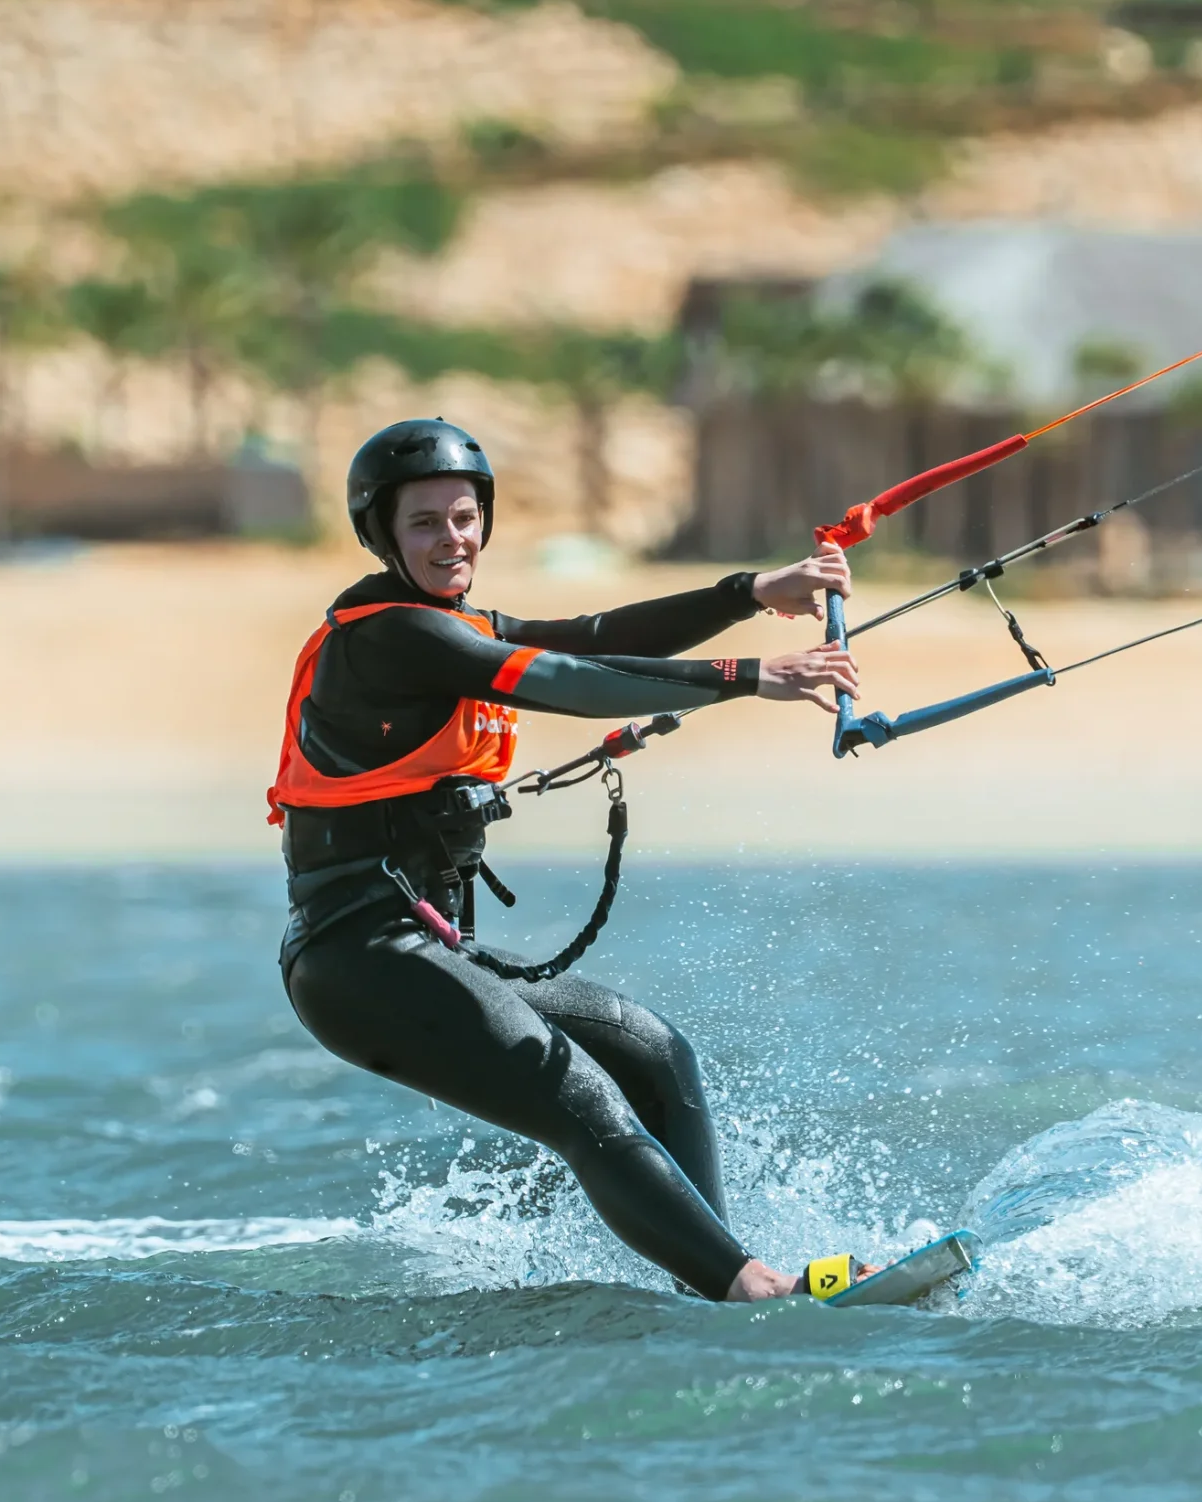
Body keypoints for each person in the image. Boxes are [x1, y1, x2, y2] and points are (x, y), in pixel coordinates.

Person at [270, 419, 863, 1302]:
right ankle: (752, 1289)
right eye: (424, 522)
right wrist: (747, 676)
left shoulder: (456, 624)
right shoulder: (391, 637)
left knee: (656, 1053)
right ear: (382, 533)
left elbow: (590, 635)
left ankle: (717, 1285)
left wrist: (750, 590)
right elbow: (562, 681)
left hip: (425, 947)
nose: (452, 538)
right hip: (359, 960)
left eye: (465, 517)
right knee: (581, 1097)